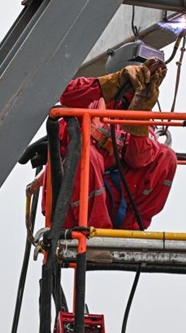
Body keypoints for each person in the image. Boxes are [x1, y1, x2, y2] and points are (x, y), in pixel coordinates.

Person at [53, 59, 177, 230]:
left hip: (115, 203)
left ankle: (131, 232)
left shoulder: (143, 116)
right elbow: (67, 94)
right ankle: (93, 234)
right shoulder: (93, 101)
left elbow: (139, 158)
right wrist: (115, 81)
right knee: (86, 154)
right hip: (73, 206)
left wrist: (139, 113)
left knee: (166, 157)